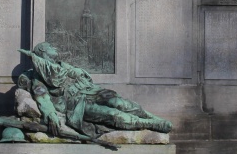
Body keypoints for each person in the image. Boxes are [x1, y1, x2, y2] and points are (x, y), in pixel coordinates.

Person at [18, 43, 171, 139]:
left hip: (90, 91)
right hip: (76, 104)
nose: (55, 47)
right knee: (114, 114)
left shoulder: (62, 66)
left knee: (121, 103)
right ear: (43, 51)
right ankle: (151, 124)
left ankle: (155, 118)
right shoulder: (38, 77)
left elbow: (82, 76)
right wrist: (51, 114)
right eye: (51, 46)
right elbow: (42, 97)